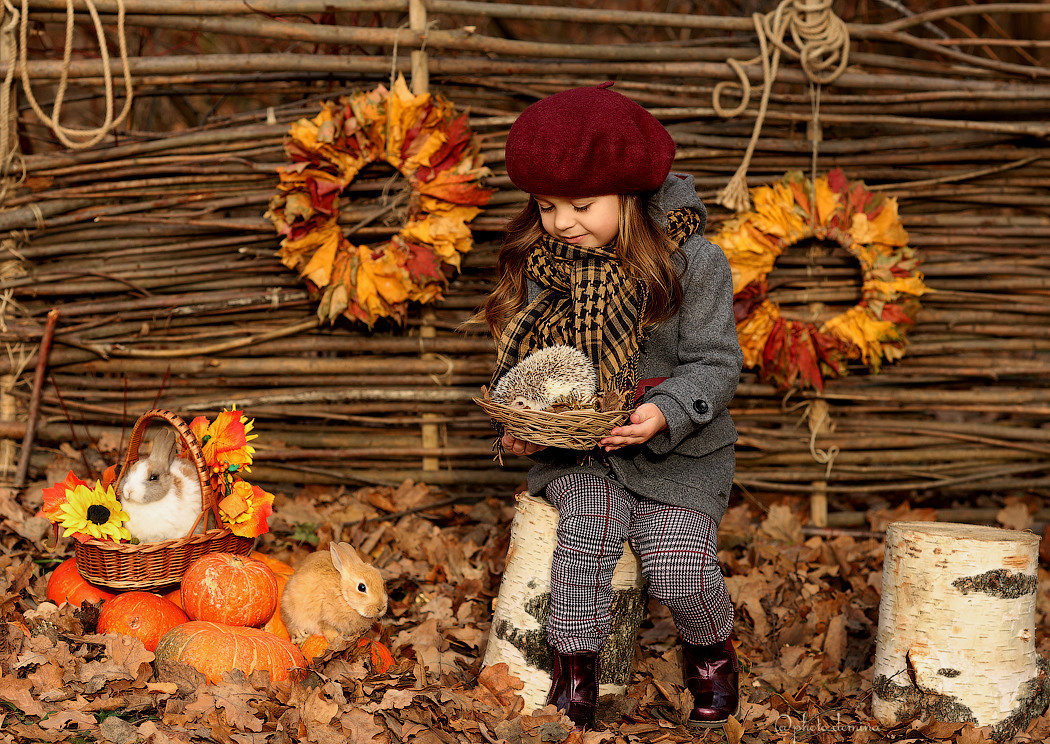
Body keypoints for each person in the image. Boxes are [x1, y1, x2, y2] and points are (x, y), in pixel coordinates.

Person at [479, 83, 744, 731]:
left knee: (680, 564)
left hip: (678, 457)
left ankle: (711, 655)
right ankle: (576, 676)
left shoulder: (697, 265)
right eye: (546, 206)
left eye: (581, 205)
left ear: (631, 195)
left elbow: (715, 362)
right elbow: (537, 366)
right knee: (584, 543)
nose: (563, 222)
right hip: (583, 454)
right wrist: (524, 425)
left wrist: (664, 413)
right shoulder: (552, 266)